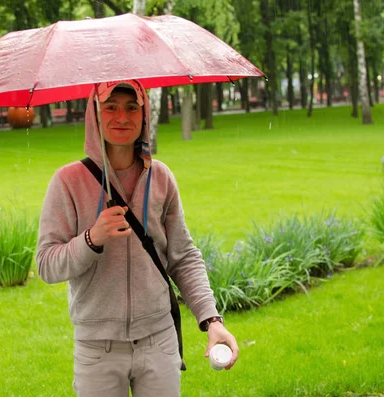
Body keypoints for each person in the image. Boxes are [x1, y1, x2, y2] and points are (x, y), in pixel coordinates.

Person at [36, 80, 239, 397]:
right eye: (111, 107)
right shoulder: (67, 182)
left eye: (132, 107)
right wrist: (91, 239)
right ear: (95, 115)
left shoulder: (161, 178)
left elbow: (183, 257)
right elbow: (47, 265)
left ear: (144, 115)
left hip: (158, 339)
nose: (122, 117)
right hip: (97, 347)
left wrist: (212, 319)